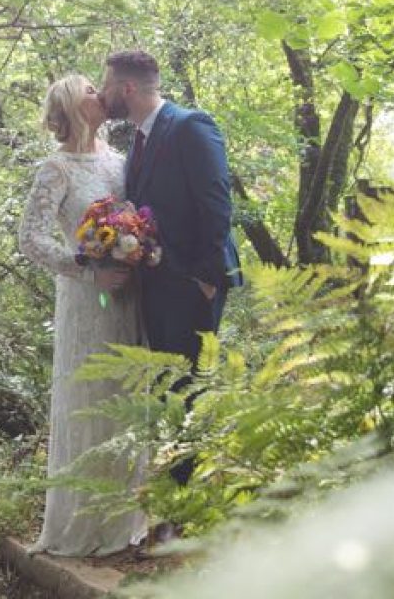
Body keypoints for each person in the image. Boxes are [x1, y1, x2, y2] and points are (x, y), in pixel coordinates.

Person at [99, 49, 243, 541]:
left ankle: (181, 516)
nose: (103, 93)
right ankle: (171, 506)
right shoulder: (138, 141)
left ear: (128, 90)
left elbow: (217, 203)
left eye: (107, 85)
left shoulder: (191, 126)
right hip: (156, 283)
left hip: (191, 284)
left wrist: (205, 275)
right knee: (167, 391)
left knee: (188, 393)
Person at [17, 74, 147, 557]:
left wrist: (136, 248)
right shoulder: (56, 169)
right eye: (90, 91)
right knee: (89, 396)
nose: (100, 96)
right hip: (86, 299)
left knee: (127, 396)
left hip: (130, 298)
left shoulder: (119, 159)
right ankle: (84, 524)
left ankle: (125, 518)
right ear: (73, 107)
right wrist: (87, 270)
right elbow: (30, 238)